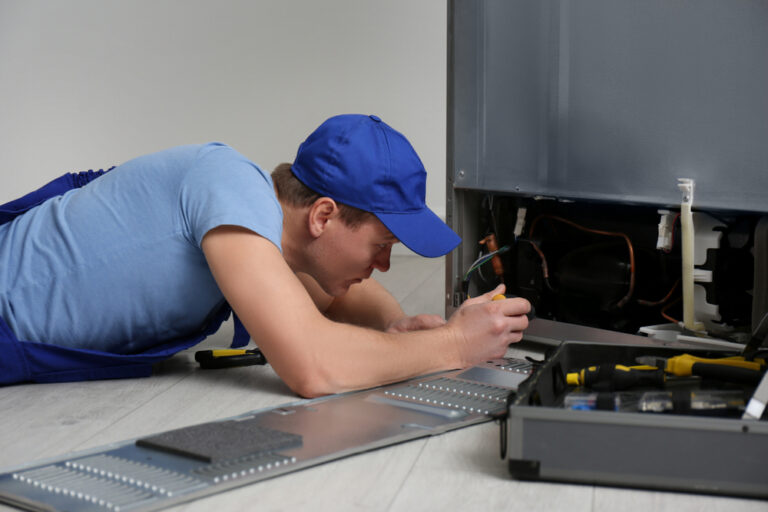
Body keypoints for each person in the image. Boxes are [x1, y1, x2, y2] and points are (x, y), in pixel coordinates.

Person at [0, 114, 530, 396]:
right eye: (383, 245)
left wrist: (396, 328)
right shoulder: (229, 188)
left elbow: (331, 293)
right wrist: (455, 343)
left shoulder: (259, 225)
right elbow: (313, 367)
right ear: (322, 216)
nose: (384, 264)